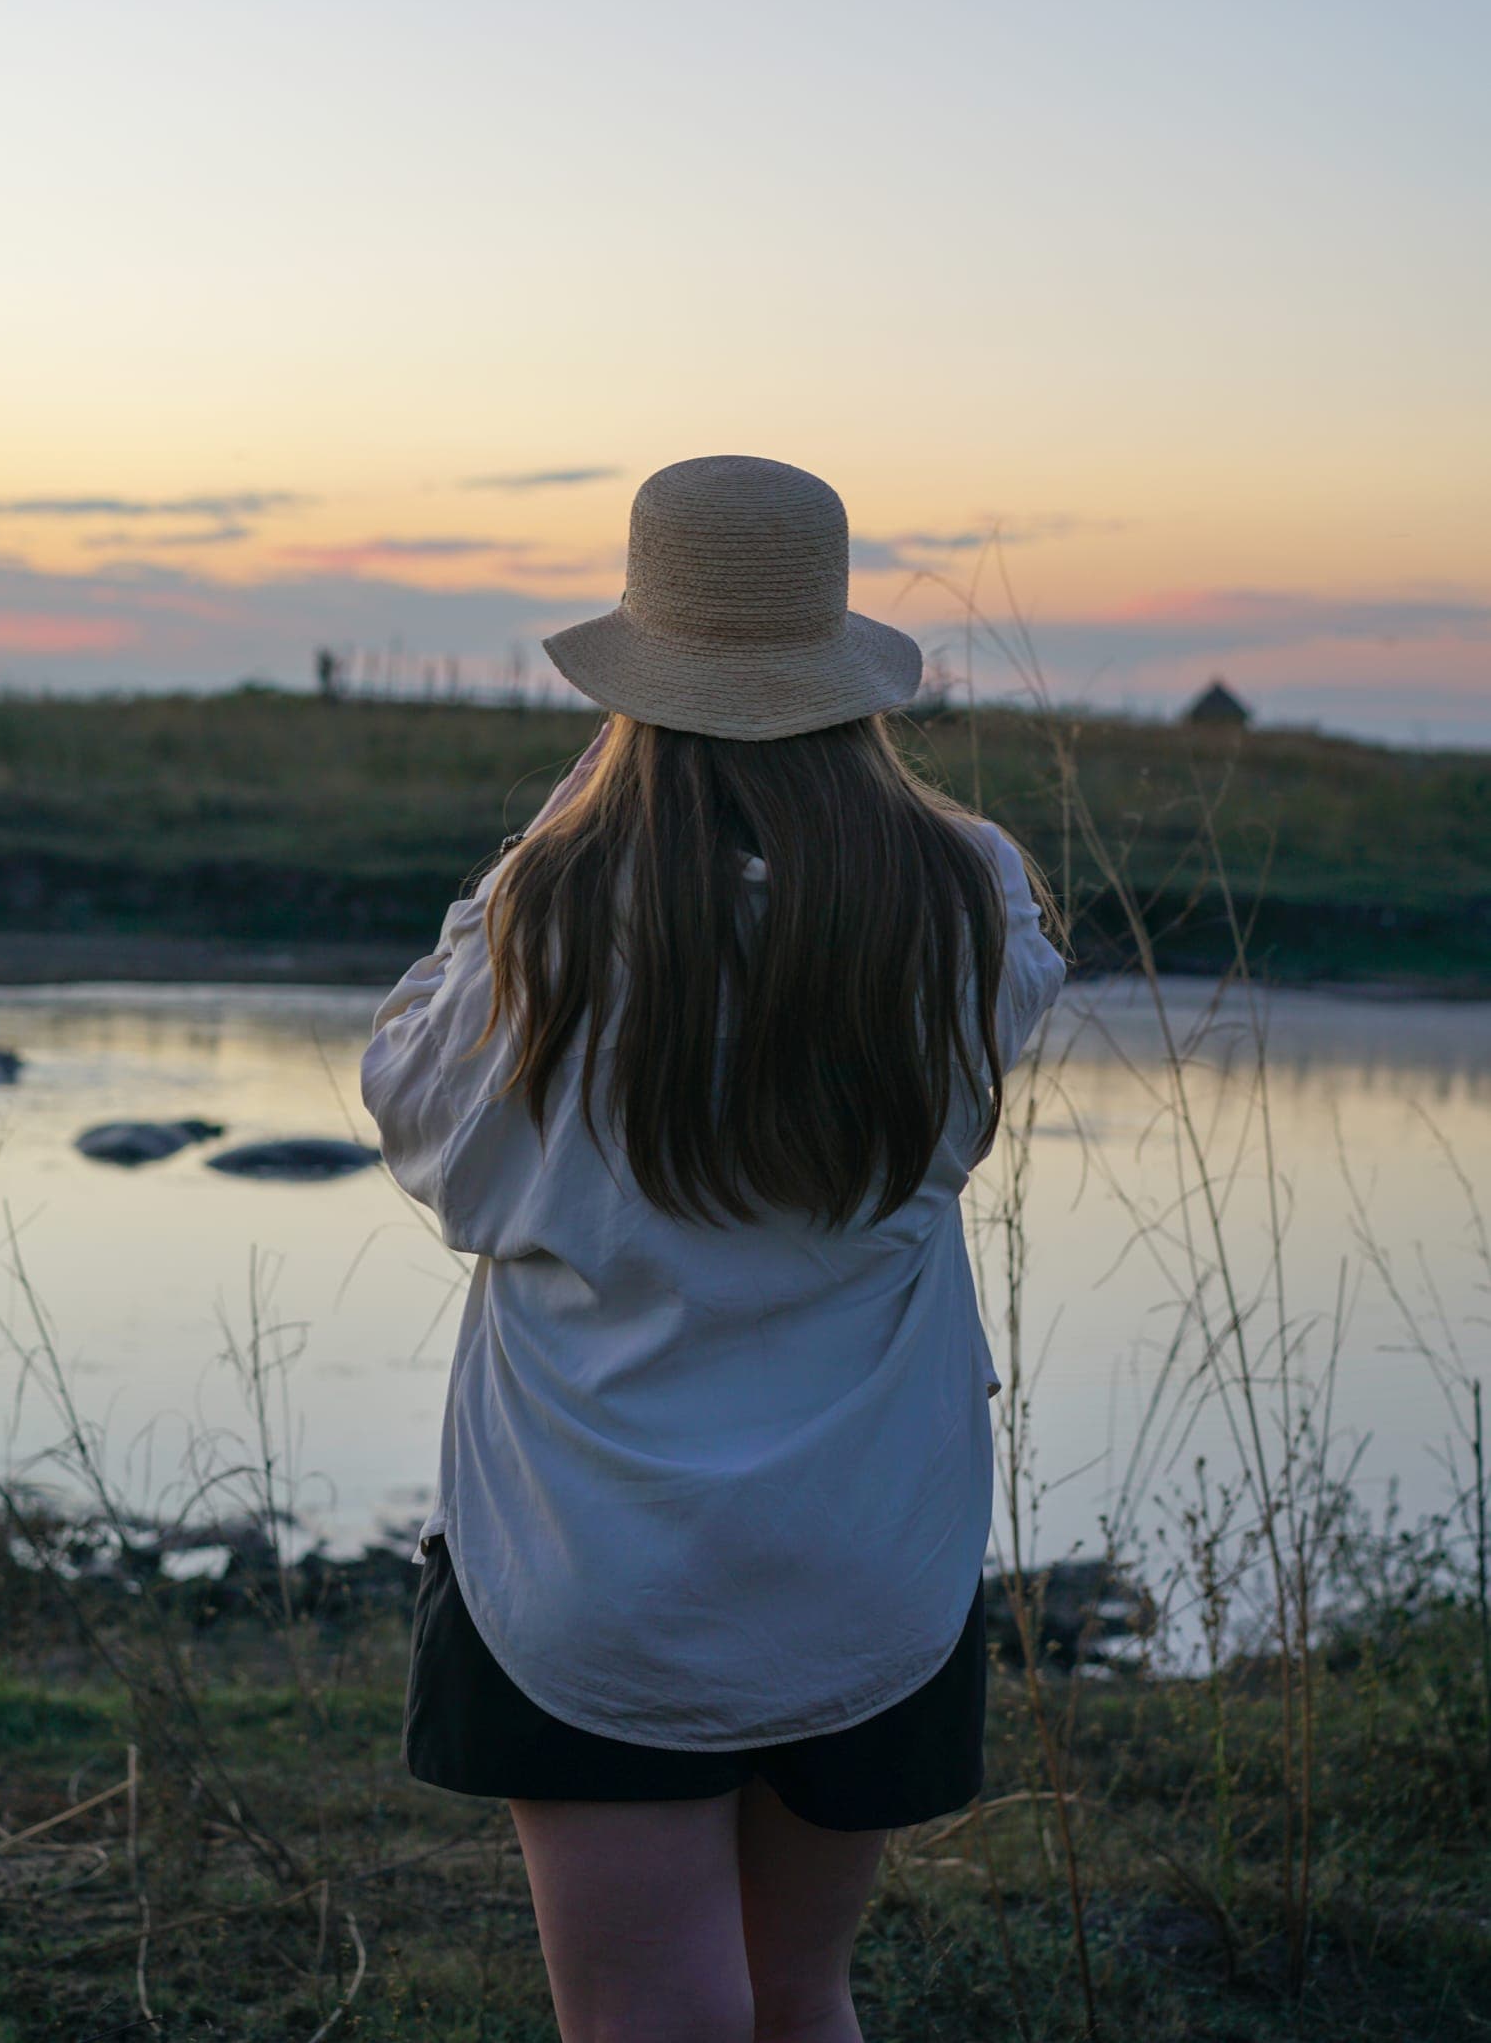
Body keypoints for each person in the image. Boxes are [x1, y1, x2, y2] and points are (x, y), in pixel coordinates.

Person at [361, 455, 1064, 2043]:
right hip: (869, 1553)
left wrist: (559, 827)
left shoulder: (548, 921)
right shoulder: (973, 900)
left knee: (649, 2022)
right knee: (803, 1991)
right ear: (841, 664)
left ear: (637, 678)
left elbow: (424, 1131)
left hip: (595, 1563)